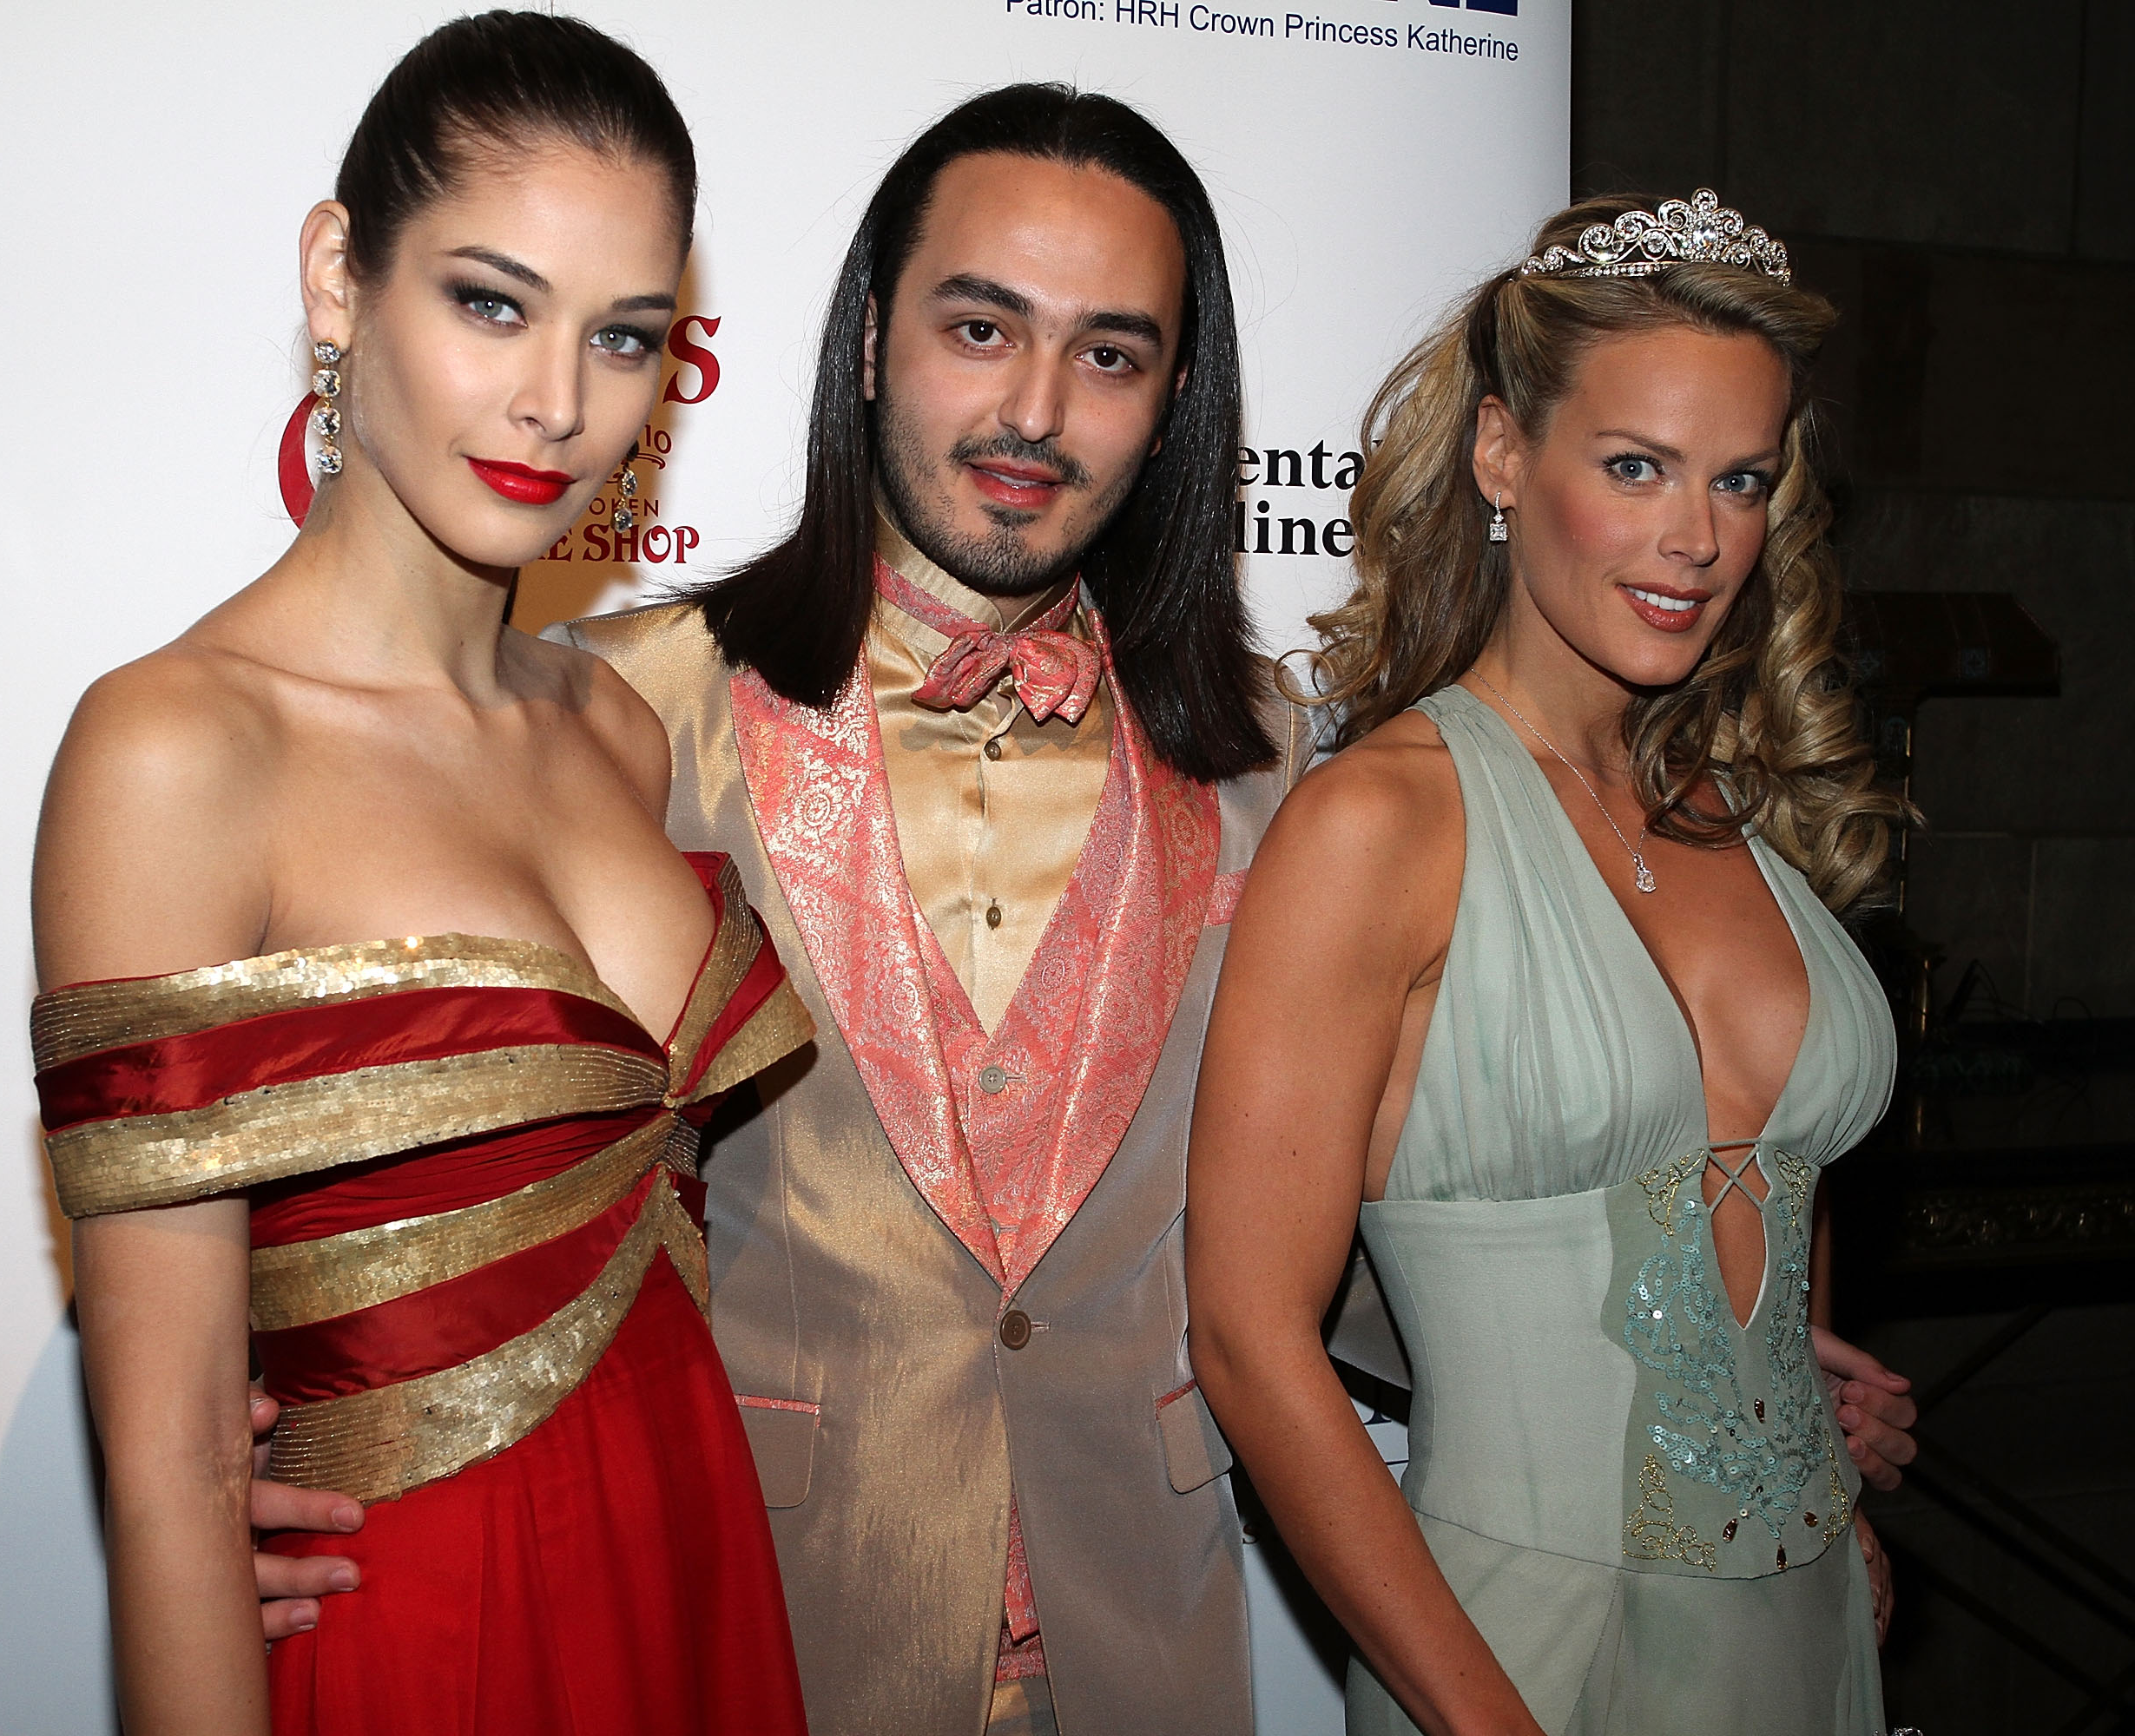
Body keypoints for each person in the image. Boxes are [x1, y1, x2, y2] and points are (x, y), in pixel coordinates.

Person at [254, 110, 1922, 1731]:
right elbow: (397, 1155)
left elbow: (1343, 1219)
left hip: (1150, 1632)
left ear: (1177, 400)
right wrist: (276, 1429)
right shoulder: (616, 722)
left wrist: (1731, 1371)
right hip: (760, 1616)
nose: (1036, 410)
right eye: (981, 328)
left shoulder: (1274, 759)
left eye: (1111, 355)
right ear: (868, 341)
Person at [29, 14, 809, 1735]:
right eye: (491, 303)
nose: (560, 402)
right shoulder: (178, 753)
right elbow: (171, 1479)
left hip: (693, 1574)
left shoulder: (615, 731)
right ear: (339, 277)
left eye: (624, 335)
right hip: (429, 1631)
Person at [1186, 192, 1913, 1734]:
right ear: (1505, 455)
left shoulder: (1738, 806)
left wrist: (1815, 1464)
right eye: (1636, 467)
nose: (1696, 538)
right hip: (1516, 1655)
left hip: (1805, 1636)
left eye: (1739, 479)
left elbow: (1758, 1199)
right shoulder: (1381, 825)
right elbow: (1249, 1341)